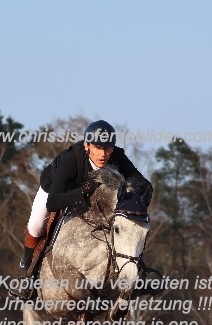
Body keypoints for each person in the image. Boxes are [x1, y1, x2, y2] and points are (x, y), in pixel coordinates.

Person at [12, 120, 152, 298]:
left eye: (108, 148)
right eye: (98, 148)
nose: (103, 154)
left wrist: (133, 201)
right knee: (36, 225)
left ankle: (133, 273)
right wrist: (84, 191)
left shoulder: (116, 157)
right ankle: (28, 276)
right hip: (56, 191)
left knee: (126, 225)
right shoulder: (71, 160)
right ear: (87, 146)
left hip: (91, 195)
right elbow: (53, 202)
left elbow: (144, 184)